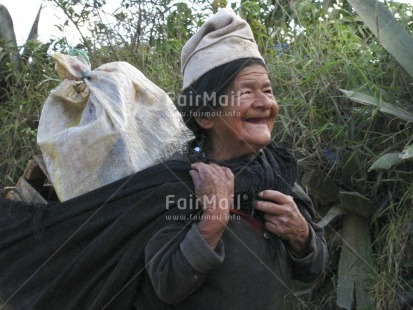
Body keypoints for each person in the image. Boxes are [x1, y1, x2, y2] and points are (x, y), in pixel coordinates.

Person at [137, 8, 328, 309]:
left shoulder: (277, 173)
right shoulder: (180, 181)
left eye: (267, 90)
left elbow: (314, 269)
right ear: (204, 115)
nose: (265, 103)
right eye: (246, 92)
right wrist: (211, 222)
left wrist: (301, 235)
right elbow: (165, 284)